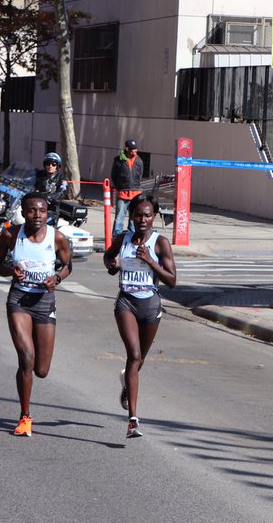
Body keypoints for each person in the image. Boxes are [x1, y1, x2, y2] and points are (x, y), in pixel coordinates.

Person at [0, 191, 72, 437]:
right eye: (31, 210)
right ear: (23, 212)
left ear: (47, 214)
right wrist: (10, 272)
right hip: (19, 301)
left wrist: (57, 278)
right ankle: (25, 417)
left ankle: (26, 409)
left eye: (42, 211)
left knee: (42, 370)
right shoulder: (11, 235)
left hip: (44, 303)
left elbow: (68, 265)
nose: (37, 215)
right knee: (26, 358)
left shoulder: (57, 238)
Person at [103, 194, 176, 438]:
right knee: (133, 355)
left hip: (151, 306)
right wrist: (111, 265)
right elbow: (108, 257)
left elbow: (172, 280)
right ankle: (133, 420)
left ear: (154, 217)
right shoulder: (123, 239)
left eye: (147, 215)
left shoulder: (160, 243)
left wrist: (150, 261)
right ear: (131, 216)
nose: (142, 219)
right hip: (126, 302)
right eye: (137, 215)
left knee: (139, 360)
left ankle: (127, 384)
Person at [110, 140, 144, 238]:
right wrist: (119, 187)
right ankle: (116, 237)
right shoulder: (118, 160)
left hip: (135, 193)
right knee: (119, 217)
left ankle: (133, 236)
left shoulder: (139, 161)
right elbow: (114, 176)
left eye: (136, 150)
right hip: (123, 193)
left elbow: (140, 175)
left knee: (134, 218)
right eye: (133, 150)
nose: (135, 152)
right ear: (127, 149)